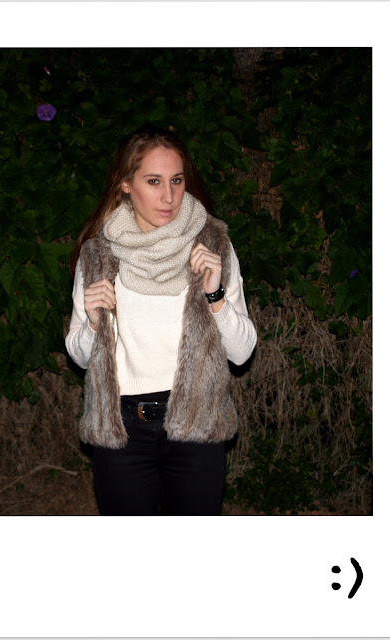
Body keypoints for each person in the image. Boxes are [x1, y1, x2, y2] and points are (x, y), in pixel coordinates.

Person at [65, 124, 257, 515]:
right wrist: (93, 323)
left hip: (197, 422)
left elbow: (242, 352)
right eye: (153, 181)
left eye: (176, 180)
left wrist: (215, 295)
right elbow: (80, 357)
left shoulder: (213, 245)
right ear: (125, 184)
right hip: (120, 430)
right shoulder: (98, 255)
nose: (168, 196)